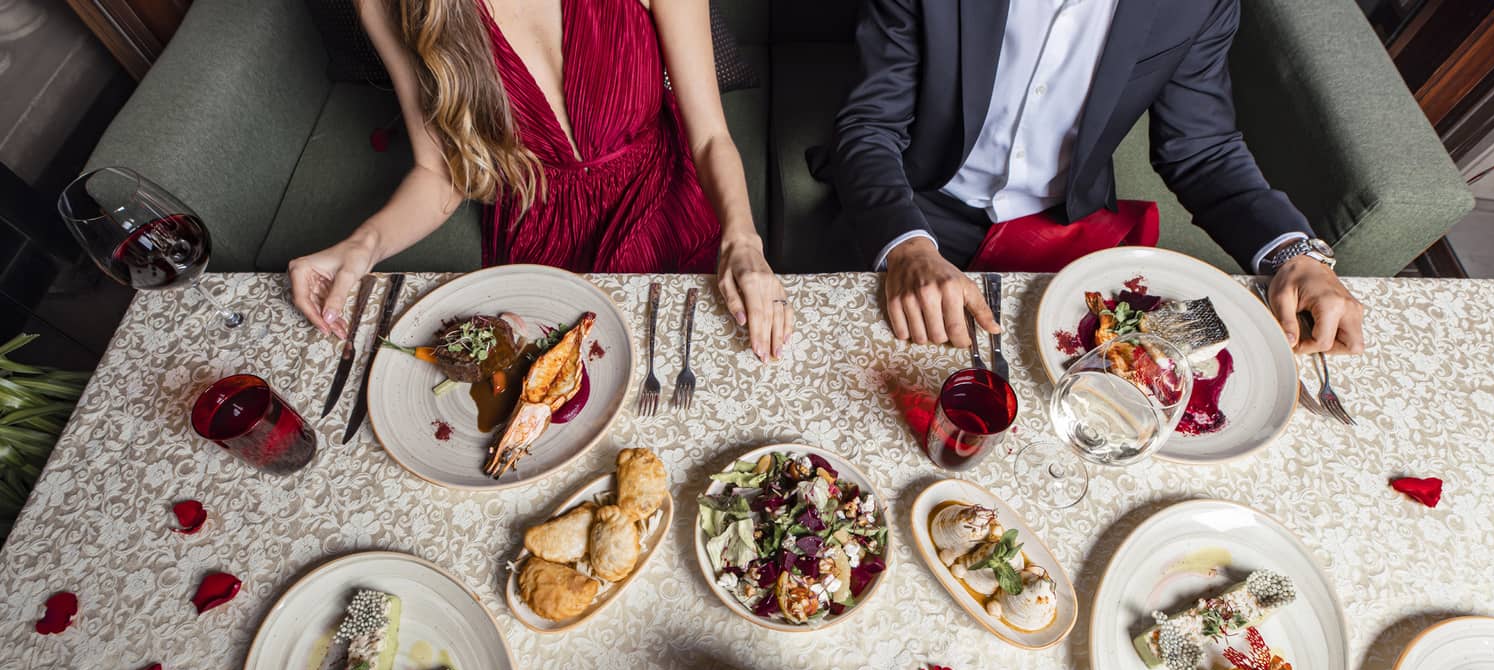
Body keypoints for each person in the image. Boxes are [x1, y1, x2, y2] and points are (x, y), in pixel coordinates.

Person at [821, 0, 1365, 354]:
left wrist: (1295, 258)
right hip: (917, 204)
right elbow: (870, 124)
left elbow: (1201, 149)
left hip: (1063, 229)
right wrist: (909, 248)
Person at [289, 0, 792, 362]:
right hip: (543, 237)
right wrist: (363, 245)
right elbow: (441, 172)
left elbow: (708, 136)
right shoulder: (392, 5)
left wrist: (743, 239)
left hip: (667, 205)